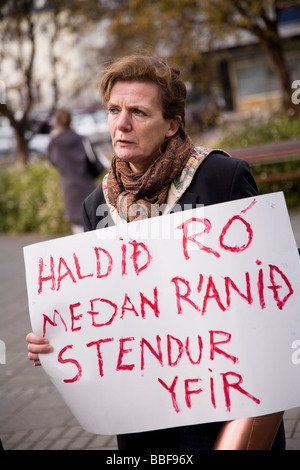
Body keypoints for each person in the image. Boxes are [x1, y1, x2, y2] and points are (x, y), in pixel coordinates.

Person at [26, 54, 285, 450]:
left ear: (171, 126)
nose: (121, 123)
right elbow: (101, 311)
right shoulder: (97, 202)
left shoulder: (220, 177)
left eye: (139, 112)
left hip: (223, 398)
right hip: (142, 412)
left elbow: (270, 283)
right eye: (114, 109)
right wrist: (56, 339)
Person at [48, 109, 97, 234]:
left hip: (70, 190)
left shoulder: (55, 142)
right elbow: (93, 161)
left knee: (78, 232)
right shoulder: (81, 139)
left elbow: (53, 161)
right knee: (94, 227)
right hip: (88, 186)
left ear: (57, 122)